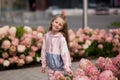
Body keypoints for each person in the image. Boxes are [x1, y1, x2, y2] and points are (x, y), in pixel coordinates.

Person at [40, 13, 73, 80]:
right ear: (52, 22)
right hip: (50, 69)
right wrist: (43, 64)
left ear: (61, 28)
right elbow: (43, 50)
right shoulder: (46, 36)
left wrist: (67, 67)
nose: (57, 25)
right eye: (56, 22)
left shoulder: (61, 39)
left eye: (60, 25)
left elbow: (65, 53)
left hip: (60, 69)